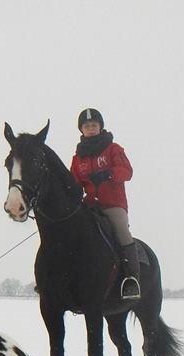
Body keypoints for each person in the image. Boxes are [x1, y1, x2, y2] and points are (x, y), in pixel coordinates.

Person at [70, 108, 140, 300]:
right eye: (87, 126)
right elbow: (74, 183)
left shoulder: (113, 149)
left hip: (113, 205)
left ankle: (132, 278)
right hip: (90, 205)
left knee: (122, 232)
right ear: (81, 130)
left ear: (100, 127)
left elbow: (127, 171)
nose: (91, 129)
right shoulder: (78, 158)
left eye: (94, 125)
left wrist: (109, 174)